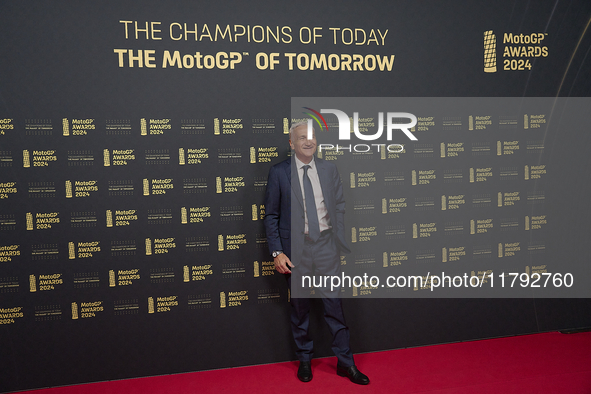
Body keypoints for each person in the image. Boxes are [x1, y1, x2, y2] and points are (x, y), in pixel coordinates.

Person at [263, 121, 370, 385]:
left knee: (335, 308)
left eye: (311, 138)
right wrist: (277, 252)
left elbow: (340, 205)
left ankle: (346, 363)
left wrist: (337, 239)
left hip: (325, 247)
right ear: (292, 143)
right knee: (300, 310)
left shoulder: (329, 169)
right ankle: (305, 361)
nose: (308, 142)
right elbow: (271, 215)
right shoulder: (278, 173)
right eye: (301, 138)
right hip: (295, 252)